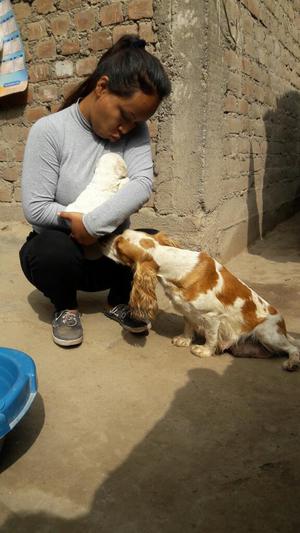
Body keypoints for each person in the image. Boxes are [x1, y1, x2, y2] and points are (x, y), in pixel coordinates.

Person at [19, 34, 171, 347]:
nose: (126, 129)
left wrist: (92, 226)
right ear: (102, 88)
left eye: (136, 123)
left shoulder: (136, 131)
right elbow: (35, 208)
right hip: (65, 254)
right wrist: (79, 228)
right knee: (49, 250)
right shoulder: (50, 131)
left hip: (108, 255)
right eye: (125, 116)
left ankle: (118, 300)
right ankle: (65, 306)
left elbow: (142, 184)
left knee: (153, 242)